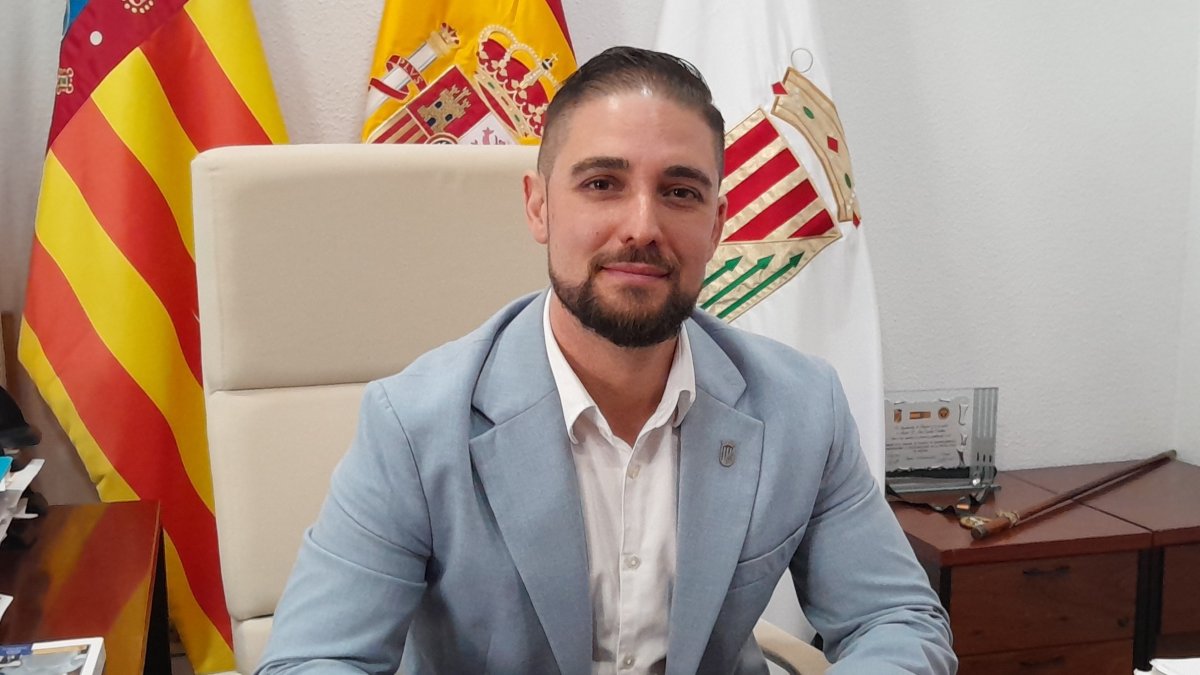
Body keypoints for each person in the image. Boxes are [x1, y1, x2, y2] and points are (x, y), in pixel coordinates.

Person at [257, 46, 955, 675]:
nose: (642, 227)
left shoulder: (801, 406)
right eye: (602, 184)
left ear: (716, 225)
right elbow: (313, 658)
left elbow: (897, 620)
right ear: (539, 208)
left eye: (680, 192)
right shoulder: (414, 424)